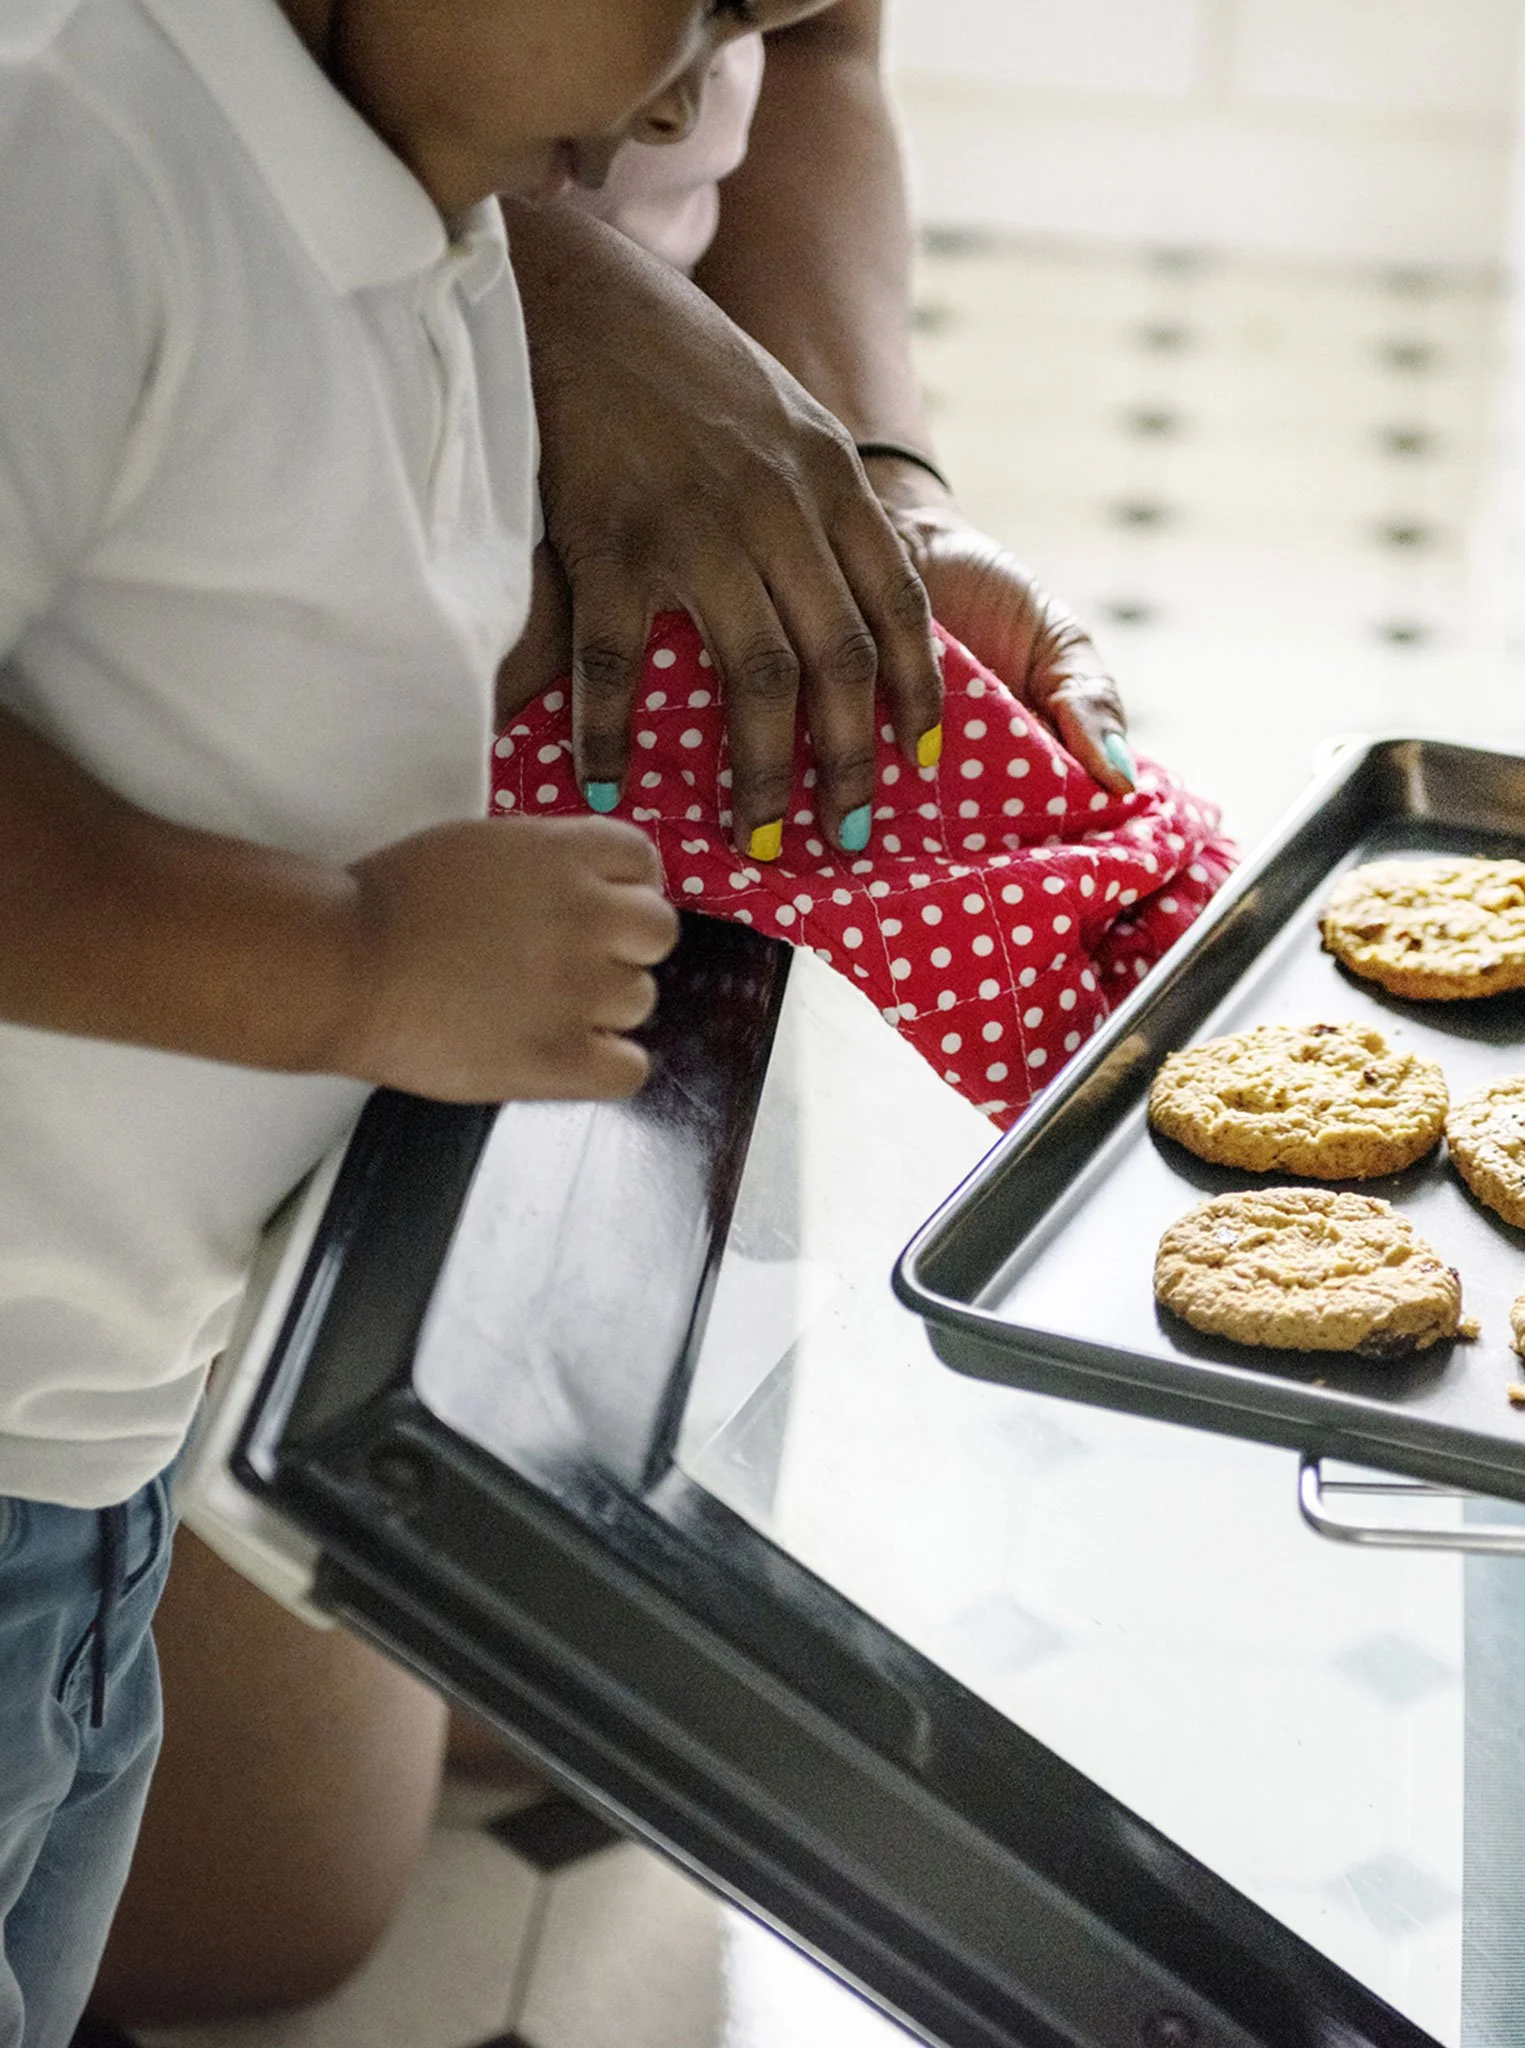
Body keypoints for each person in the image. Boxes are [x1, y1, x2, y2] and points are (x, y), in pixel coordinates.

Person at [91, 1, 1157, 2026]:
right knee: (263, 1911)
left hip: (626, 637)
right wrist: (514, 276)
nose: (698, 87)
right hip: (243, 637)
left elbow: (828, 56)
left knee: (553, 1694)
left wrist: (859, 489)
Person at [0, 1, 849, 2040]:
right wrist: (360, 955)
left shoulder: (429, 231)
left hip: (94, 1445)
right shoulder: (72, 163)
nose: (680, 98)